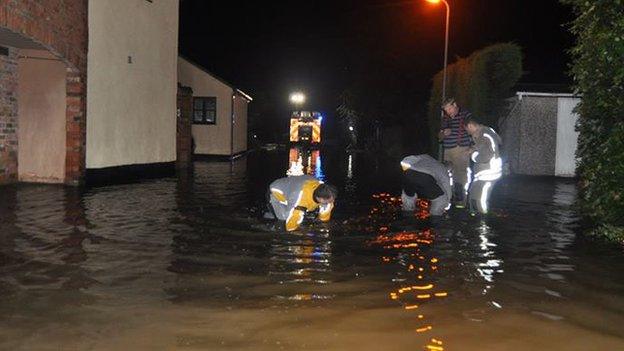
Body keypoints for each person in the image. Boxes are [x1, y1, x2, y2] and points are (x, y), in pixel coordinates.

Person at [267, 175, 337, 231]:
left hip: (293, 190)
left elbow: (325, 215)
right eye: (328, 201)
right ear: (320, 199)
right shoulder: (299, 200)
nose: (331, 202)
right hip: (276, 193)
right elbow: (291, 227)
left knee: (305, 217)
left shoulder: (324, 190)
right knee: (284, 219)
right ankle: (268, 222)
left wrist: (323, 226)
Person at [464, 117, 503, 215]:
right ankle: (476, 216)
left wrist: (473, 155)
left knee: (479, 199)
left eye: (466, 129)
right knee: (473, 194)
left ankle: (483, 223)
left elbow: (486, 155)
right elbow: (498, 141)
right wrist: (475, 148)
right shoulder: (487, 131)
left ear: (470, 126)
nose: (467, 132)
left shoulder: (483, 135)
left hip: (488, 172)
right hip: (486, 172)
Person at [439, 98, 473, 207]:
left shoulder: (465, 114)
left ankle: (462, 201)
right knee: (447, 174)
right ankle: (448, 198)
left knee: (461, 175)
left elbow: (472, 128)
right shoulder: (445, 118)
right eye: (446, 110)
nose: (448, 112)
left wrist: (472, 146)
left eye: (449, 109)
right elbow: (439, 137)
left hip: (461, 149)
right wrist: (443, 134)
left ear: (455, 104)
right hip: (448, 150)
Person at [400, 154, 452, 225]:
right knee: (441, 199)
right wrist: (446, 203)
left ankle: (407, 218)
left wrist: (407, 171)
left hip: (408, 174)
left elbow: (407, 160)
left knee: (408, 197)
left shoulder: (427, 157)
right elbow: (446, 186)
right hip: (424, 178)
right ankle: (435, 221)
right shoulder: (443, 169)